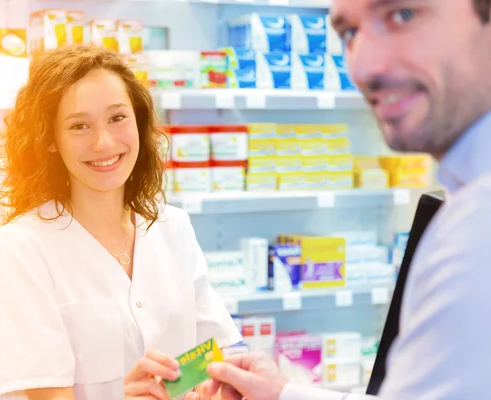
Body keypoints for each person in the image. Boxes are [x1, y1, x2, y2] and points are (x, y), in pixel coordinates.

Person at [139, 0, 491, 399]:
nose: (364, 66)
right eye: (349, 34)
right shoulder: (465, 206)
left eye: (402, 16)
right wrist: (281, 393)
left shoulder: (477, 228)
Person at [0, 44, 241, 400]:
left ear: (139, 122)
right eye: (79, 126)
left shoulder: (172, 227)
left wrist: (219, 384)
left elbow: (222, 354)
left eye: (117, 118)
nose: (103, 142)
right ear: (50, 140)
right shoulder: (23, 246)